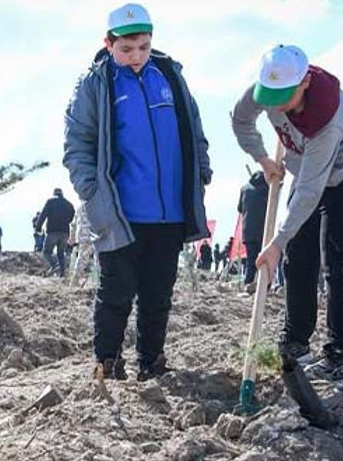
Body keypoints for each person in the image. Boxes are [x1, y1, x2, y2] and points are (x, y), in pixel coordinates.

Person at [64, 3, 212, 381]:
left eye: (143, 47)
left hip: (169, 212)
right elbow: (77, 145)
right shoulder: (95, 84)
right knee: (116, 292)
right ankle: (108, 363)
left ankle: (152, 362)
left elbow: (193, 129)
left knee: (158, 294)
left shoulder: (169, 76)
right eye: (126, 49)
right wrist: (92, 192)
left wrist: (202, 171)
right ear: (108, 43)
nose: (135, 57)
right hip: (119, 212)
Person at [232, 44, 343, 381]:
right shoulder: (265, 91)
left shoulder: (330, 117)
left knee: (339, 258)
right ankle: (296, 339)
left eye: (283, 96)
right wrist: (263, 158)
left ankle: (340, 351)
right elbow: (240, 120)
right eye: (268, 96)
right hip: (306, 169)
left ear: (305, 83)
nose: (274, 104)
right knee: (296, 254)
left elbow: (312, 190)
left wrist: (276, 241)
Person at [238, 171, 269, 293]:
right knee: (264, 259)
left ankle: (248, 283)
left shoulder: (245, 188)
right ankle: (264, 285)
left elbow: (239, 208)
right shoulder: (267, 189)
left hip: (248, 230)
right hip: (263, 230)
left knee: (251, 259)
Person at [35, 188, 75, 277]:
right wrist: (65, 222)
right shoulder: (69, 204)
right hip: (65, 232)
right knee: (61, 254)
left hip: (52, 231)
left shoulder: (50, 202)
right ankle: (62, 274)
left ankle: (54, 265)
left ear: (54, 194)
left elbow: (43, 215)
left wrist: (38, 227)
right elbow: (72, 217)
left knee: (47, 252)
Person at [70, 204, 95, 286]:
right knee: (98, 259)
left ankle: (75, 281)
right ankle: (94, 281)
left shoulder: (80, 207)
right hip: (94, 235)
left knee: (82, 258)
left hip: (82, 235)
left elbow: (73, 224)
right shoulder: (98, 204)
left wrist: (72, 238)